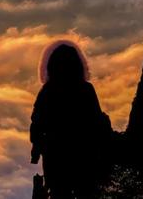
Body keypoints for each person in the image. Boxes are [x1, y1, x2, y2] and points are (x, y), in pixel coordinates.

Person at [30, 40, 112, 199]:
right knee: (85, 192)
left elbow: (37, 123)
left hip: (55, 156)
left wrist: (36, 150)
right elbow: (96, 121)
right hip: (85, 155)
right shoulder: (86, 89)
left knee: (59, 194)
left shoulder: (47, 91)